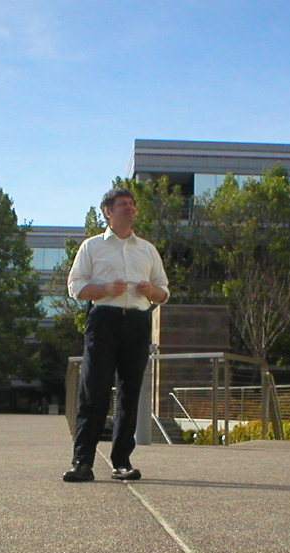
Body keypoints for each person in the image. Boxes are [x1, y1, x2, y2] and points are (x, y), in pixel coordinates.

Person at [63, 188, 170, 482]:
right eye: (123, 204)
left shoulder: (147, 250)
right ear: (108, 211)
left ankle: (122, 461)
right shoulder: (91, 247)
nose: (130, 208)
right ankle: (82, 461)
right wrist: (105, 289)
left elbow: (164, 291)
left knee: (130, 392)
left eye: (133, 204)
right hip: (104, 320)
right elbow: (75, 287)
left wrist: (152, 291)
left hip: (137, 321)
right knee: (93, 391)